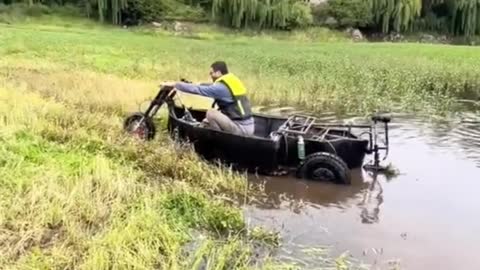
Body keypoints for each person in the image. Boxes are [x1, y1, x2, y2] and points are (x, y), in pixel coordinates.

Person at [161, 61, 254, 136]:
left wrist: (175, 84)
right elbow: (207, 86)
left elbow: (198, 90)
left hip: (241, 129)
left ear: (218, 73)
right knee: (206, 120)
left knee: (211, 113)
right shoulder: (231, 81)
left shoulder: (220, 88)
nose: (210, 76)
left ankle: (218, 138)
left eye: (211, 73)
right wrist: (191, 83)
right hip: (248, 126)